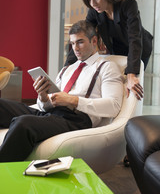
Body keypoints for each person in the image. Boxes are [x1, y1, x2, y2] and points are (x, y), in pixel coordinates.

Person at [0, 20, 123, 162]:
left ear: (94, 40)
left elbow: (113, 106)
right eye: (72, 43)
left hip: (76, 119)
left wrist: (73, 100)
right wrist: (43, 97)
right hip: (52, 114)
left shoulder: (107, 67)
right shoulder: (67, 69)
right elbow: (46, 106)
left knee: (23, 124)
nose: (75, 48)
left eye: (80, 42)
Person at [65, 0, 153, 101]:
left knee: (131, 84)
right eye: (89, 0)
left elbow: (135, 38)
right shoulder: (94, 11)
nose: (93, 3)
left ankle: (129, 117)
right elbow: (82, 35)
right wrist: (67, 68)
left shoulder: (127, 4)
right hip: (117, 47)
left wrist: (131, 74)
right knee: (117, 84)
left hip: (139, 47)